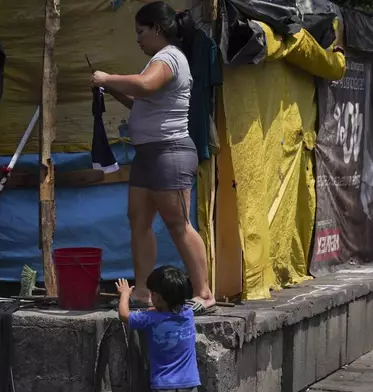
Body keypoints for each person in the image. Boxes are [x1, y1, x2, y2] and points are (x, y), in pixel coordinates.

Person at [90, 1, 216, 314]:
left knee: (178, 224)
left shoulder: (169, 57)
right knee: (139, 222)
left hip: (169, 153)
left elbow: (145, 86)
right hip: (147, 154)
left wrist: (108, 78)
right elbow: (142, 100)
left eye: (141, 31)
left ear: (157, 29)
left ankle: (204, 292)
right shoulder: (158, 61)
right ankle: (144, 291)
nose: (138, 38)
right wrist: (114, 92)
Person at [116, 266, 200, 392]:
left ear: (157, 297)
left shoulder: (150, 318)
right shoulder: (188, 314)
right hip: (189, 383)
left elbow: (124, 315)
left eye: (152, 293)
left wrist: (124, 294)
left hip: (162, 384)